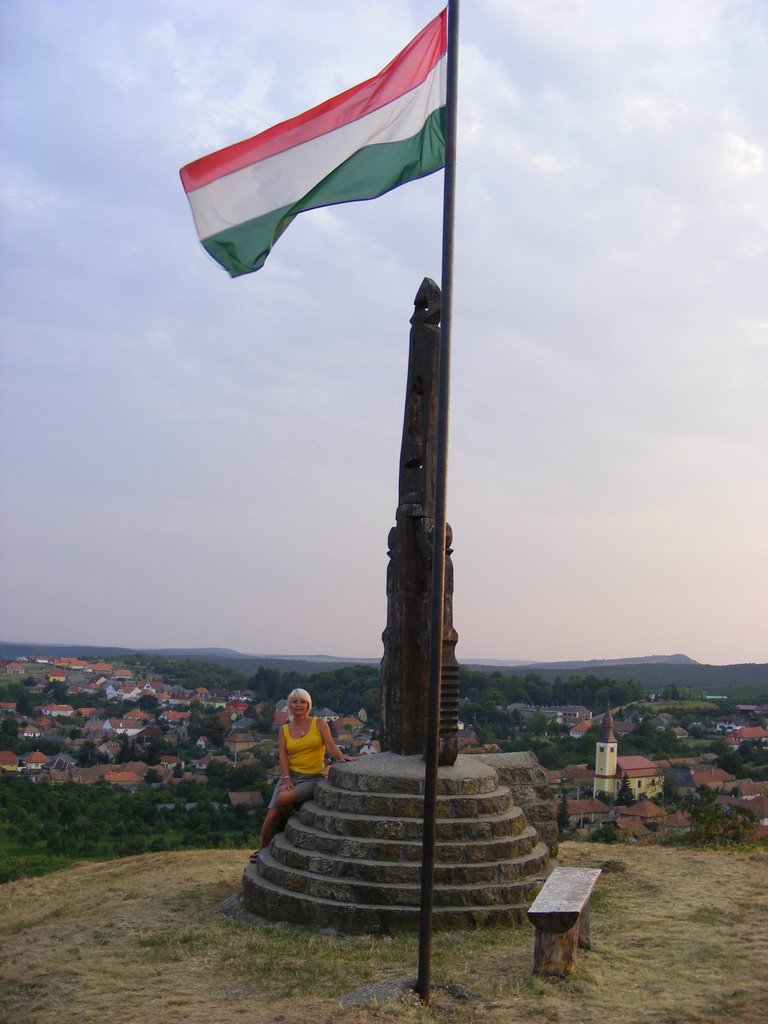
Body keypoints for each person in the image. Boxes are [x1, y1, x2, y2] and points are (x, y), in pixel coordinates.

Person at [250, 688, 355, 862]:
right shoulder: (284, 730)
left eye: (303, 702)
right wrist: (286, 778)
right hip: (290, 775)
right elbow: (283, 756)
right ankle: (261, 850)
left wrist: (342, 757)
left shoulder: (319, 723)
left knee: (284, 799)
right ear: (290, 705)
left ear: (308, 704)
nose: (299, 705)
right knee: (270, 817)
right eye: (295, 702)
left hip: (312, 777)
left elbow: (330, 746)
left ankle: (285, 822)